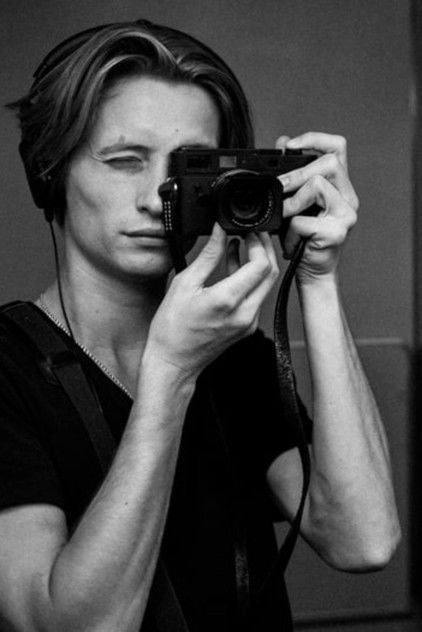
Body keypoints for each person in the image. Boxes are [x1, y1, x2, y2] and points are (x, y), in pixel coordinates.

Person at [0, 17, 400, 632]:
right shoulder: (9, 367)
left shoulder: (231, 352)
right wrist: (171, 372)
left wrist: (317, 279)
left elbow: (363, 540)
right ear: (49, 172)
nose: (156, 197)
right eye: (124, 161)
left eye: (188, 167)